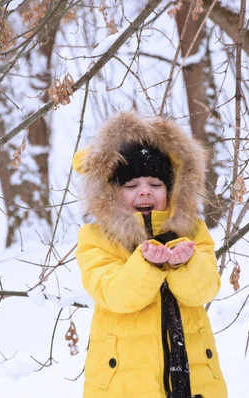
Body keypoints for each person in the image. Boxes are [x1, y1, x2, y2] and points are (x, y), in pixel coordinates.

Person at [72, 112, 227, 398]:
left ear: (172, 190)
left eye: (155, 185)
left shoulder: (191, 231)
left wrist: (183, 264)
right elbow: (115, 293)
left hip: (197, 381)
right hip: (124, 387)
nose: (145, 193)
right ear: (112, 193)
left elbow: (203, 290)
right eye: (131, 186)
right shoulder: (96, 239)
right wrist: (147, 264)